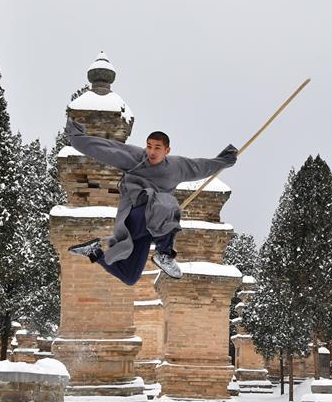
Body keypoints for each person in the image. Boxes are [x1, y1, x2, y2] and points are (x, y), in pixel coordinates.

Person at [64, 118, 237, 284]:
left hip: (148, 227)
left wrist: (224, 160)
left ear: (167, 151)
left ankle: (95, 252)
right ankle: (165, 254)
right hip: (134, 214)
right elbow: (105, 149)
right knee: (166, 203)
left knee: (130, 276)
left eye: (157, 148)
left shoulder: (177, 167)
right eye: (149, 146)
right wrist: (77, 138)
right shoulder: (135, 158)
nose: (152, 152)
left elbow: (200, 167)